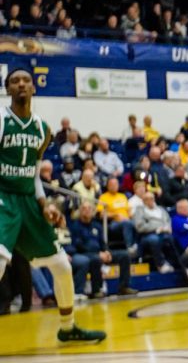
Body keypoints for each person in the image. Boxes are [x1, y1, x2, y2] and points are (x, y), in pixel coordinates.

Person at [0, 68, 105, 341]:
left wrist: (45, 204)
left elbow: (35, 176)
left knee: (62, 265)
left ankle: (68, 328)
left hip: (27, 202)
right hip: (3, 197)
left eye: (26, 80)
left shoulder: (42, 130)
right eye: (14, 81)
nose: (21, 84)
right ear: (7, 89)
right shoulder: (1, 120)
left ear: (34, 88)